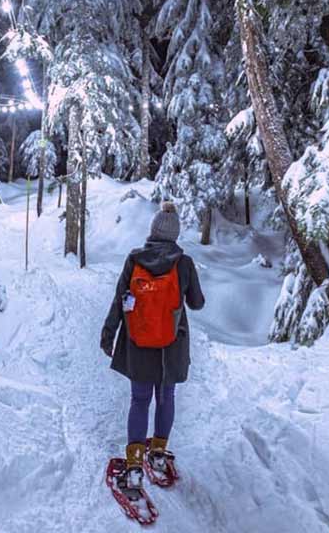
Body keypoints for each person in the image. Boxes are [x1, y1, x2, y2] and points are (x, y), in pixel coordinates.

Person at [100, 201, 205, 496]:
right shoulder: (183, 263)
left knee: (139, 399)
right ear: (175, 234)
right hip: (172, 345)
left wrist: (109, 333)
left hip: (138, 343)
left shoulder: (134, 259)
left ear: (152, 231)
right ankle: (157, 455)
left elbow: (119, 299)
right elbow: (196, 303)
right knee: (166, 396)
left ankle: (133, 466)